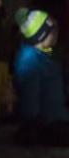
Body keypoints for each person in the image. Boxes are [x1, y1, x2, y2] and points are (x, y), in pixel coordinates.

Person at [13, 8, 69, 146]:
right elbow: (29, 94)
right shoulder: (30, 60)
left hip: (58, 115)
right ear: (41, 36)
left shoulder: (47, 53)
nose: (57, 34)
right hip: (47, 123)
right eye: (53, 32)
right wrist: (32, 123)